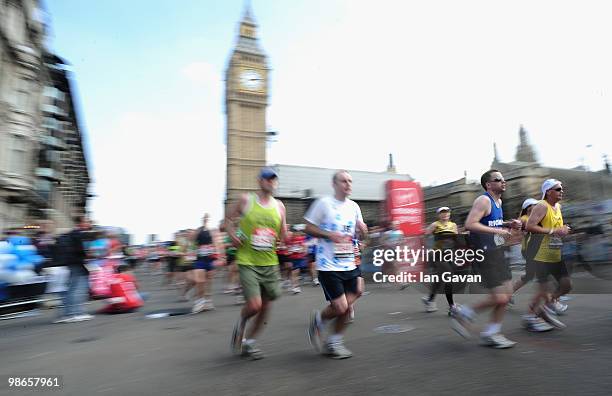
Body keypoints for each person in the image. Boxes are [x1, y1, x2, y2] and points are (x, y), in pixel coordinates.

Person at [449, 170, 521, 348]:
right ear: (488, 185)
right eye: (498, 180)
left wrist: (507, 224)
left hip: (497, 252)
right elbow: (470, 224)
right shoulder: (483, 200)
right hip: (485, 254)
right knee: (500, 298)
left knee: (507, 294)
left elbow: (491, 222)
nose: (503, 182)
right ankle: (465, 313)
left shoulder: (498, 201)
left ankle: (491, 332)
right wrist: (499, 231)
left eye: (504, 179)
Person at [226, 167, 289, 360]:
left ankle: (250, 342)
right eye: (267, 178)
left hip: (269, 262)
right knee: (254, 305)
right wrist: (233, 236)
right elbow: (227, 220)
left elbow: (282, 233)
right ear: (259, 181)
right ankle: (242, 322)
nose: (271, 182)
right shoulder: (246, 200)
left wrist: (283, 238)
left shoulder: (280, 206)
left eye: (274, 179)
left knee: (266, 306)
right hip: (248, 261)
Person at [306, 170, 368, 359]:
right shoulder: (324, 203)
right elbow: (308, 227)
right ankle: (319, 320)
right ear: (334, 184)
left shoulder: (354, 206)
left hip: (350, 261)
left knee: (357, 292)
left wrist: (363, 231)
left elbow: (360, 235)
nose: (348, 184)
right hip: (329, 264)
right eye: (343, 181)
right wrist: (328, 234)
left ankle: (334, 342)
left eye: (350, 181)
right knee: (342, 308)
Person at [525, 179, 572, 329]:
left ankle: (542, 310)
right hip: (540, 255)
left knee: (566, 286)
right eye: (558, 189)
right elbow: (529, 226)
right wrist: (554, 231)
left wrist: (563, 230)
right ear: (548, 192)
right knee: (543, 291)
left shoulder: (558, 206)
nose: (561, 191)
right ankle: (533, 316)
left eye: (561, 188)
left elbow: (555, 228)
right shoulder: (541, 206)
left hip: (555, 253)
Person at [54, 215, 95, 323]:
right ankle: (76, 313)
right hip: (78, 265)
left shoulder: (71, 234)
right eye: (87, 221)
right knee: (78, 290)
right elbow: (84, 252)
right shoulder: (80, 235)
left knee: (71, 290)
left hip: (72, 264)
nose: (89, 223)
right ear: (81, 223)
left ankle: (69, 314)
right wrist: (90, 255)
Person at [422, 207, 458, 314]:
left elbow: (456, 240)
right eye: (442, 213)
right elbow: (424, 236)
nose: (444, 214)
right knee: (449, 278)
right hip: (439, 255)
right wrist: (428, 249)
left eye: (446, 212)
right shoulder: (435, 225)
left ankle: (429, 300)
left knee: (439, 280)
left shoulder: (454, 225)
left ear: (449, 214)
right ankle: (451, 306)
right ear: (438, 215)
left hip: (450, 255)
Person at [191, 214, 218, 313]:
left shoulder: (211, 231)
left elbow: (215, 244)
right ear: (202, 219)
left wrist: (218, 255)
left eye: (207, 218)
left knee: (209, 281)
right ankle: (199, 302)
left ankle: (208, 301)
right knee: (200, 281)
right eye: (204, 218)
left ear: (209, 220)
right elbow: (192, 242)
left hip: (209, 258)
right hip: (200, 259)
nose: (206, 219)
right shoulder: (198, 230)